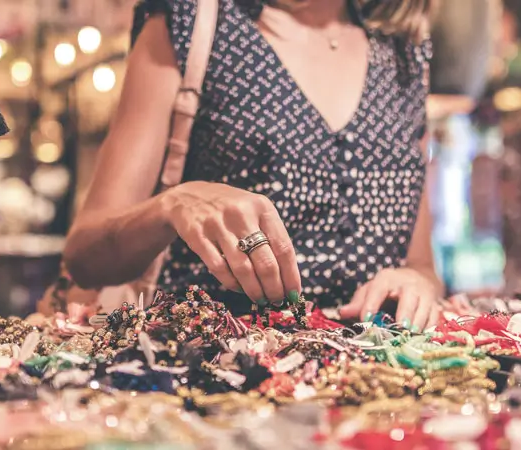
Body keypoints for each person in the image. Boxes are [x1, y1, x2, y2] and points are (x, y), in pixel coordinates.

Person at [64, 0, 441, 331]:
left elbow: (421, 265)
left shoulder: (405, 49)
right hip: (214, 378)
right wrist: (174, 204)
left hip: (376, 385)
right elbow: (85, 256)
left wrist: (414, 283)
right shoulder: (192, 21)